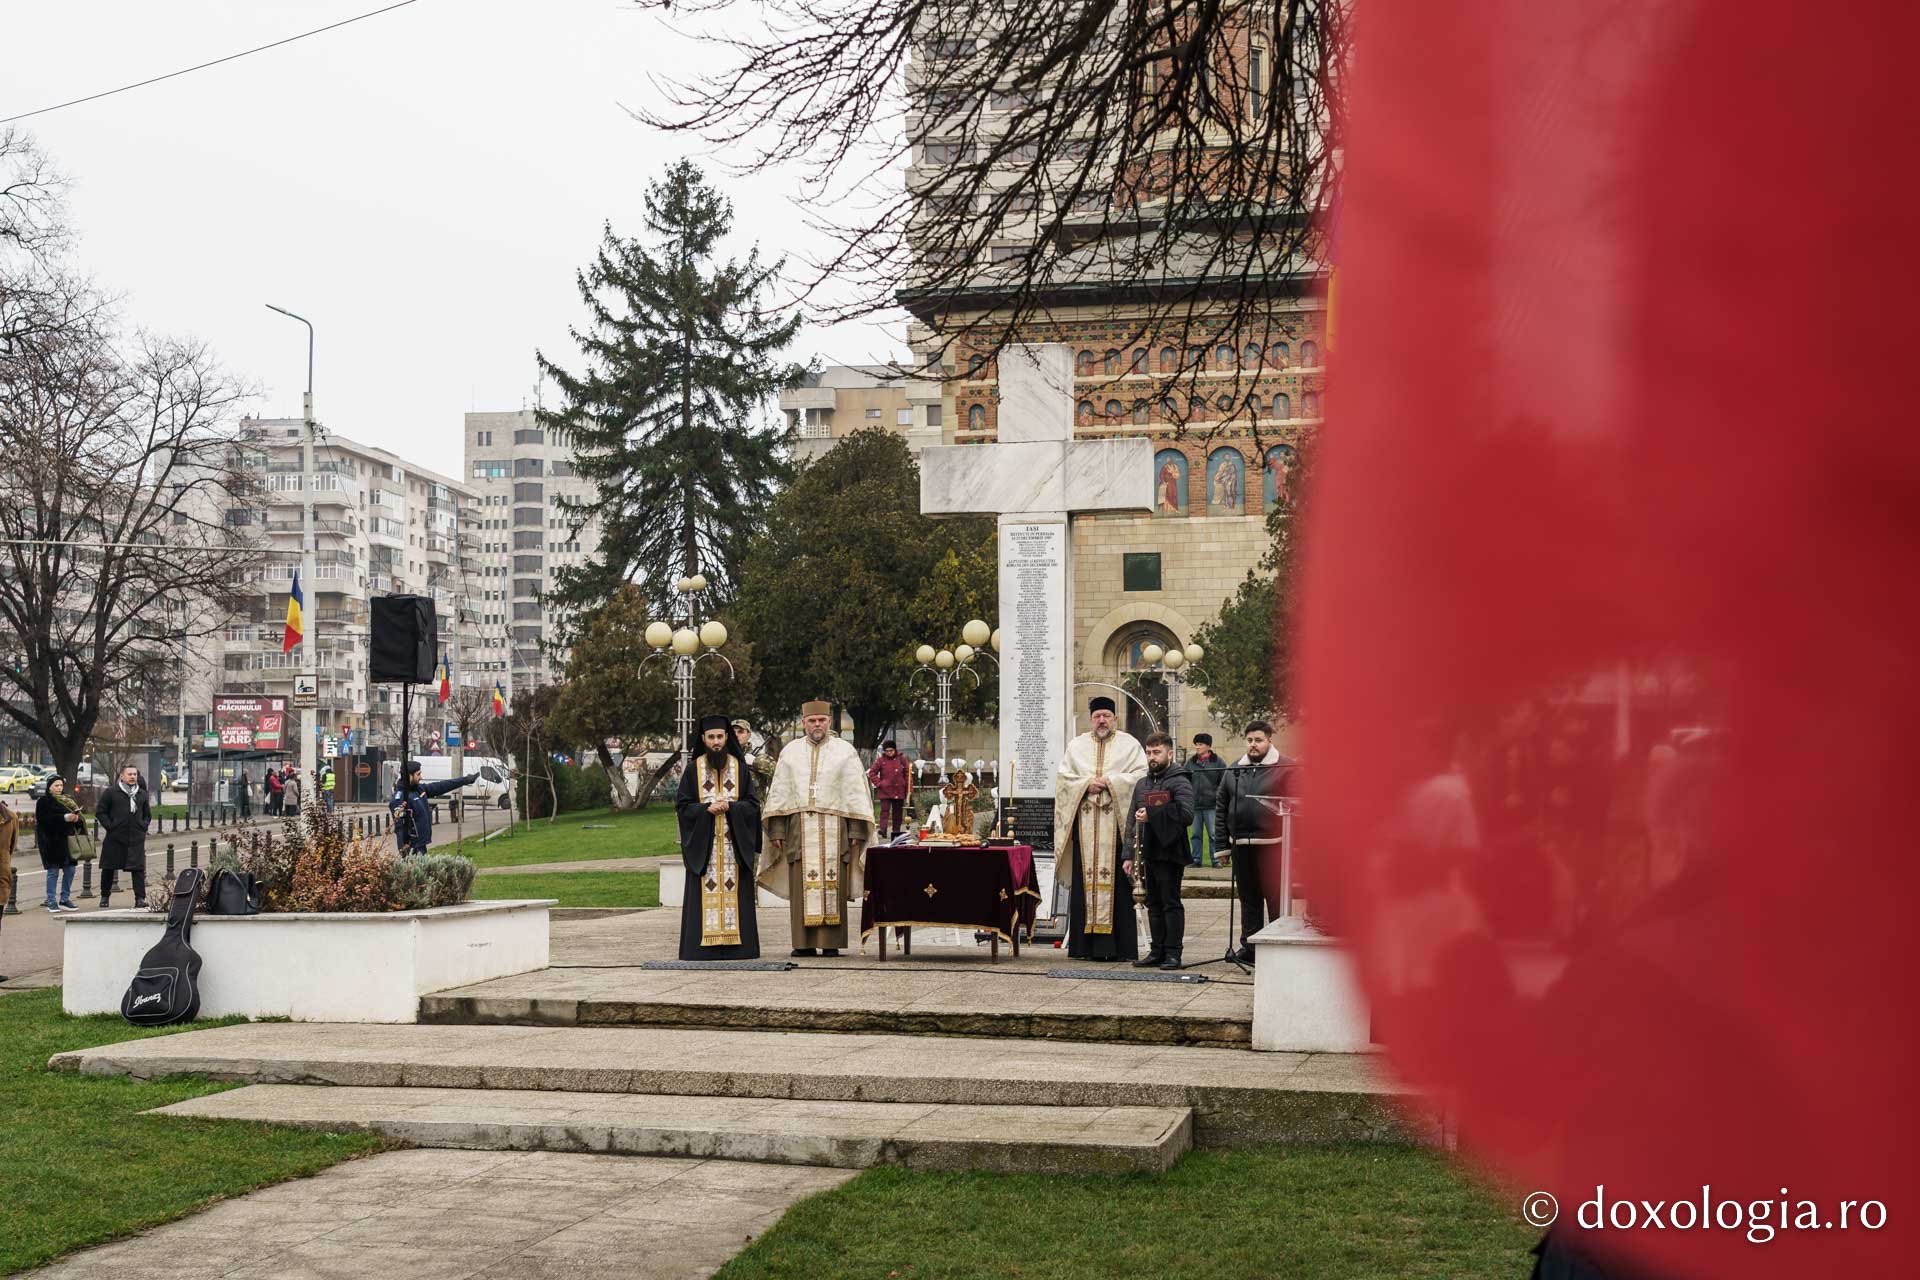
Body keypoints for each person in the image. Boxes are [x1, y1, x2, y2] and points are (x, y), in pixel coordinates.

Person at [756, 700, 874, 957]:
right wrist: (776, 830)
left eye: (821, 720)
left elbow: (855, 794)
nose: (817, 725)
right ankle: (803, 943)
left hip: (836, 829)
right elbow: (779, 794)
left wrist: (856, 831)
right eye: (812, 721)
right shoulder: (790, 752)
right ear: (803, 723)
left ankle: (830, 943)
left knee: (835, 883)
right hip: (799, 829)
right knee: (801, 885)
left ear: (830, 721)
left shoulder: (845, 751)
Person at [1054, 696, 1148, 961]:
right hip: (1085, 832)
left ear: (1115, 718)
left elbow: (1140, 777)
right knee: (1085, 886)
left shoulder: (1130, 745)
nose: (1102, 720)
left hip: (1116, 830)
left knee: (1118, 885)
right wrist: (1085, 785)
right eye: (1097, 716)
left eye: (1107, 715)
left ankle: (1120, 948)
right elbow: (1064, 780)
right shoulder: (1076, 746)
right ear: (1091, 718)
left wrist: (1110, 782)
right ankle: (1084, 948)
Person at [675, 714, 763, 960]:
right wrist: (706, 809)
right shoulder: (693, 770)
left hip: (734, 850)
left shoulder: (740, 769)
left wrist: (731, 808)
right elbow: (683, 807)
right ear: (703, 739)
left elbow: (753, 805)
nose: (716, 742)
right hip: (706, 849)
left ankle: (739, 949)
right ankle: (703, 950)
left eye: (720, 737)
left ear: (727, 738)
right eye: (711, 737)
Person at [1214, 721, 1298, 962]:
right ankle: (1250, 948)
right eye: (1250, 740)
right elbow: (1221, 807)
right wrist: (1221, 847)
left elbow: (1295, 803)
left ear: (1269, 741)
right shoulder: (1234, 771)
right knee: (1249, 900)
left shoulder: (1285, 767)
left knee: (1275, 899)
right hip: (1241, 845)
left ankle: (1277, 946)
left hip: (1274, 844)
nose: (1253, 745)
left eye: (1258, 740)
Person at [1126, 732, 1195, 970]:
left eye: (1157, 752)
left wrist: (1153, 814)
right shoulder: (1142, 783)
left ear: (1169, 753)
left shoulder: (1180, 780)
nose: (1152, 757)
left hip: (1170, 852)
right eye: (1149, 752)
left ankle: (1173, 953)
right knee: (1152, 903)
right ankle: (1157, 951)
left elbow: (1187, 814)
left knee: (1170, 903)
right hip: (1146, 851)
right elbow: (1131, 822)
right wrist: (1127, 855)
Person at [390, 759, 479, 855]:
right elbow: (400, 827)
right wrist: (403, 848)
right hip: (412, 848)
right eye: (418, 774)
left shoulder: (418, 789)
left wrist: (464, 780)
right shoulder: (400, 798)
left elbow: (441, 786)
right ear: (409, 776)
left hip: (421, 845)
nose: (421, 777)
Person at [95, 764, 152, 909]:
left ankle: (140, 898)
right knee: (109, 868)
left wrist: (142, 826)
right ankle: (104, 896)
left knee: (138, 869)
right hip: (115, 837)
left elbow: (147, 815)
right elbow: (101, 812)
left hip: (135, 838)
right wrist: (110, 826)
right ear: (122, 776)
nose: (133, 777)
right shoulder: (111, 792)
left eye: (135, 774)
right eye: (130, 774)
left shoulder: (142, 794)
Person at [35, 777, 82, 911]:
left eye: (61, 785)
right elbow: (43, 820)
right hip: (51, 842)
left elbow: (78, 821)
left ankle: (64, 899)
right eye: (56, 785)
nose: (59, 788)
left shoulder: (67, 800)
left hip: (67, 842)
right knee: (53, 872)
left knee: (70, 870)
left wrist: (76, 818)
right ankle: (51, 901)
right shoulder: (43, 801)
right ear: (49, 787)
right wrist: (64, 818)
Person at [1187, 733, 1226, 867]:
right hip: (1195, 806)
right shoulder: (1190, 762)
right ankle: (1196, 860)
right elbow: (1185, 781)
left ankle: (1216, 860)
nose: (1197, 747)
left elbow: (1224, 782)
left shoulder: (1219, 762)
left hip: (1212, 806)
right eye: (1196, 744)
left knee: (1213, 835)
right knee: (1195, 834)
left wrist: (1216, 796)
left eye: (1200, 744)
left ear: (1208, 746)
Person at [866, 740, 911, 842]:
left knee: (897, 813)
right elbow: (872, 772)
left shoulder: (902, 759)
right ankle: (883, 829)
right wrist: (879, 783)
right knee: (884, 811)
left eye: (891, 750)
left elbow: (908, 774)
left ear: (895, 750)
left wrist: (909, 789)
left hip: (899, 790)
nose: (889, 753)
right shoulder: (881, 760)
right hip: (885, 790)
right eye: (886, 751)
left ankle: (896, 832)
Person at [733, 719, 776, 796]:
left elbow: (776, 770)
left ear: (749, 735)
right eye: (733, 732)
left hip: (754, 806)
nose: (736, 735)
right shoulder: (723, 757)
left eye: (740, 732)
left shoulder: (759, 757)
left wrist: (755, 762)